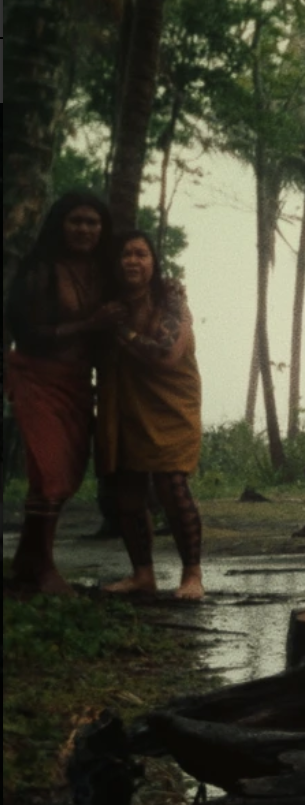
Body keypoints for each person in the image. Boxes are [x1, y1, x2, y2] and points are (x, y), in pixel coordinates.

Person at [5, 192, 118, 593]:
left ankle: (26, 560)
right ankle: (45, 567)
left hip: (76, 381)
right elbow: (28, 333)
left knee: (66, 475)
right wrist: (89, 323)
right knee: (49, 472)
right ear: (60, 224)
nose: (84, 230)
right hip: (36, 376)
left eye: (92, 223)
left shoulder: (104, 270)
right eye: (76, 221)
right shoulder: (41, 269)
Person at [97, 231, 206, 600]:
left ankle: (192, 575)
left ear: (153, 262)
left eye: (141, 254)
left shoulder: (169, 300)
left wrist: (121, 331)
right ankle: (142, 574)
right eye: (125, 254)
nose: (132, 261)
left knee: (172, 486)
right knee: (127, 491)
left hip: (171, 404)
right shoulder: (110, 304)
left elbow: (164, 355)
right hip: (125, 402)